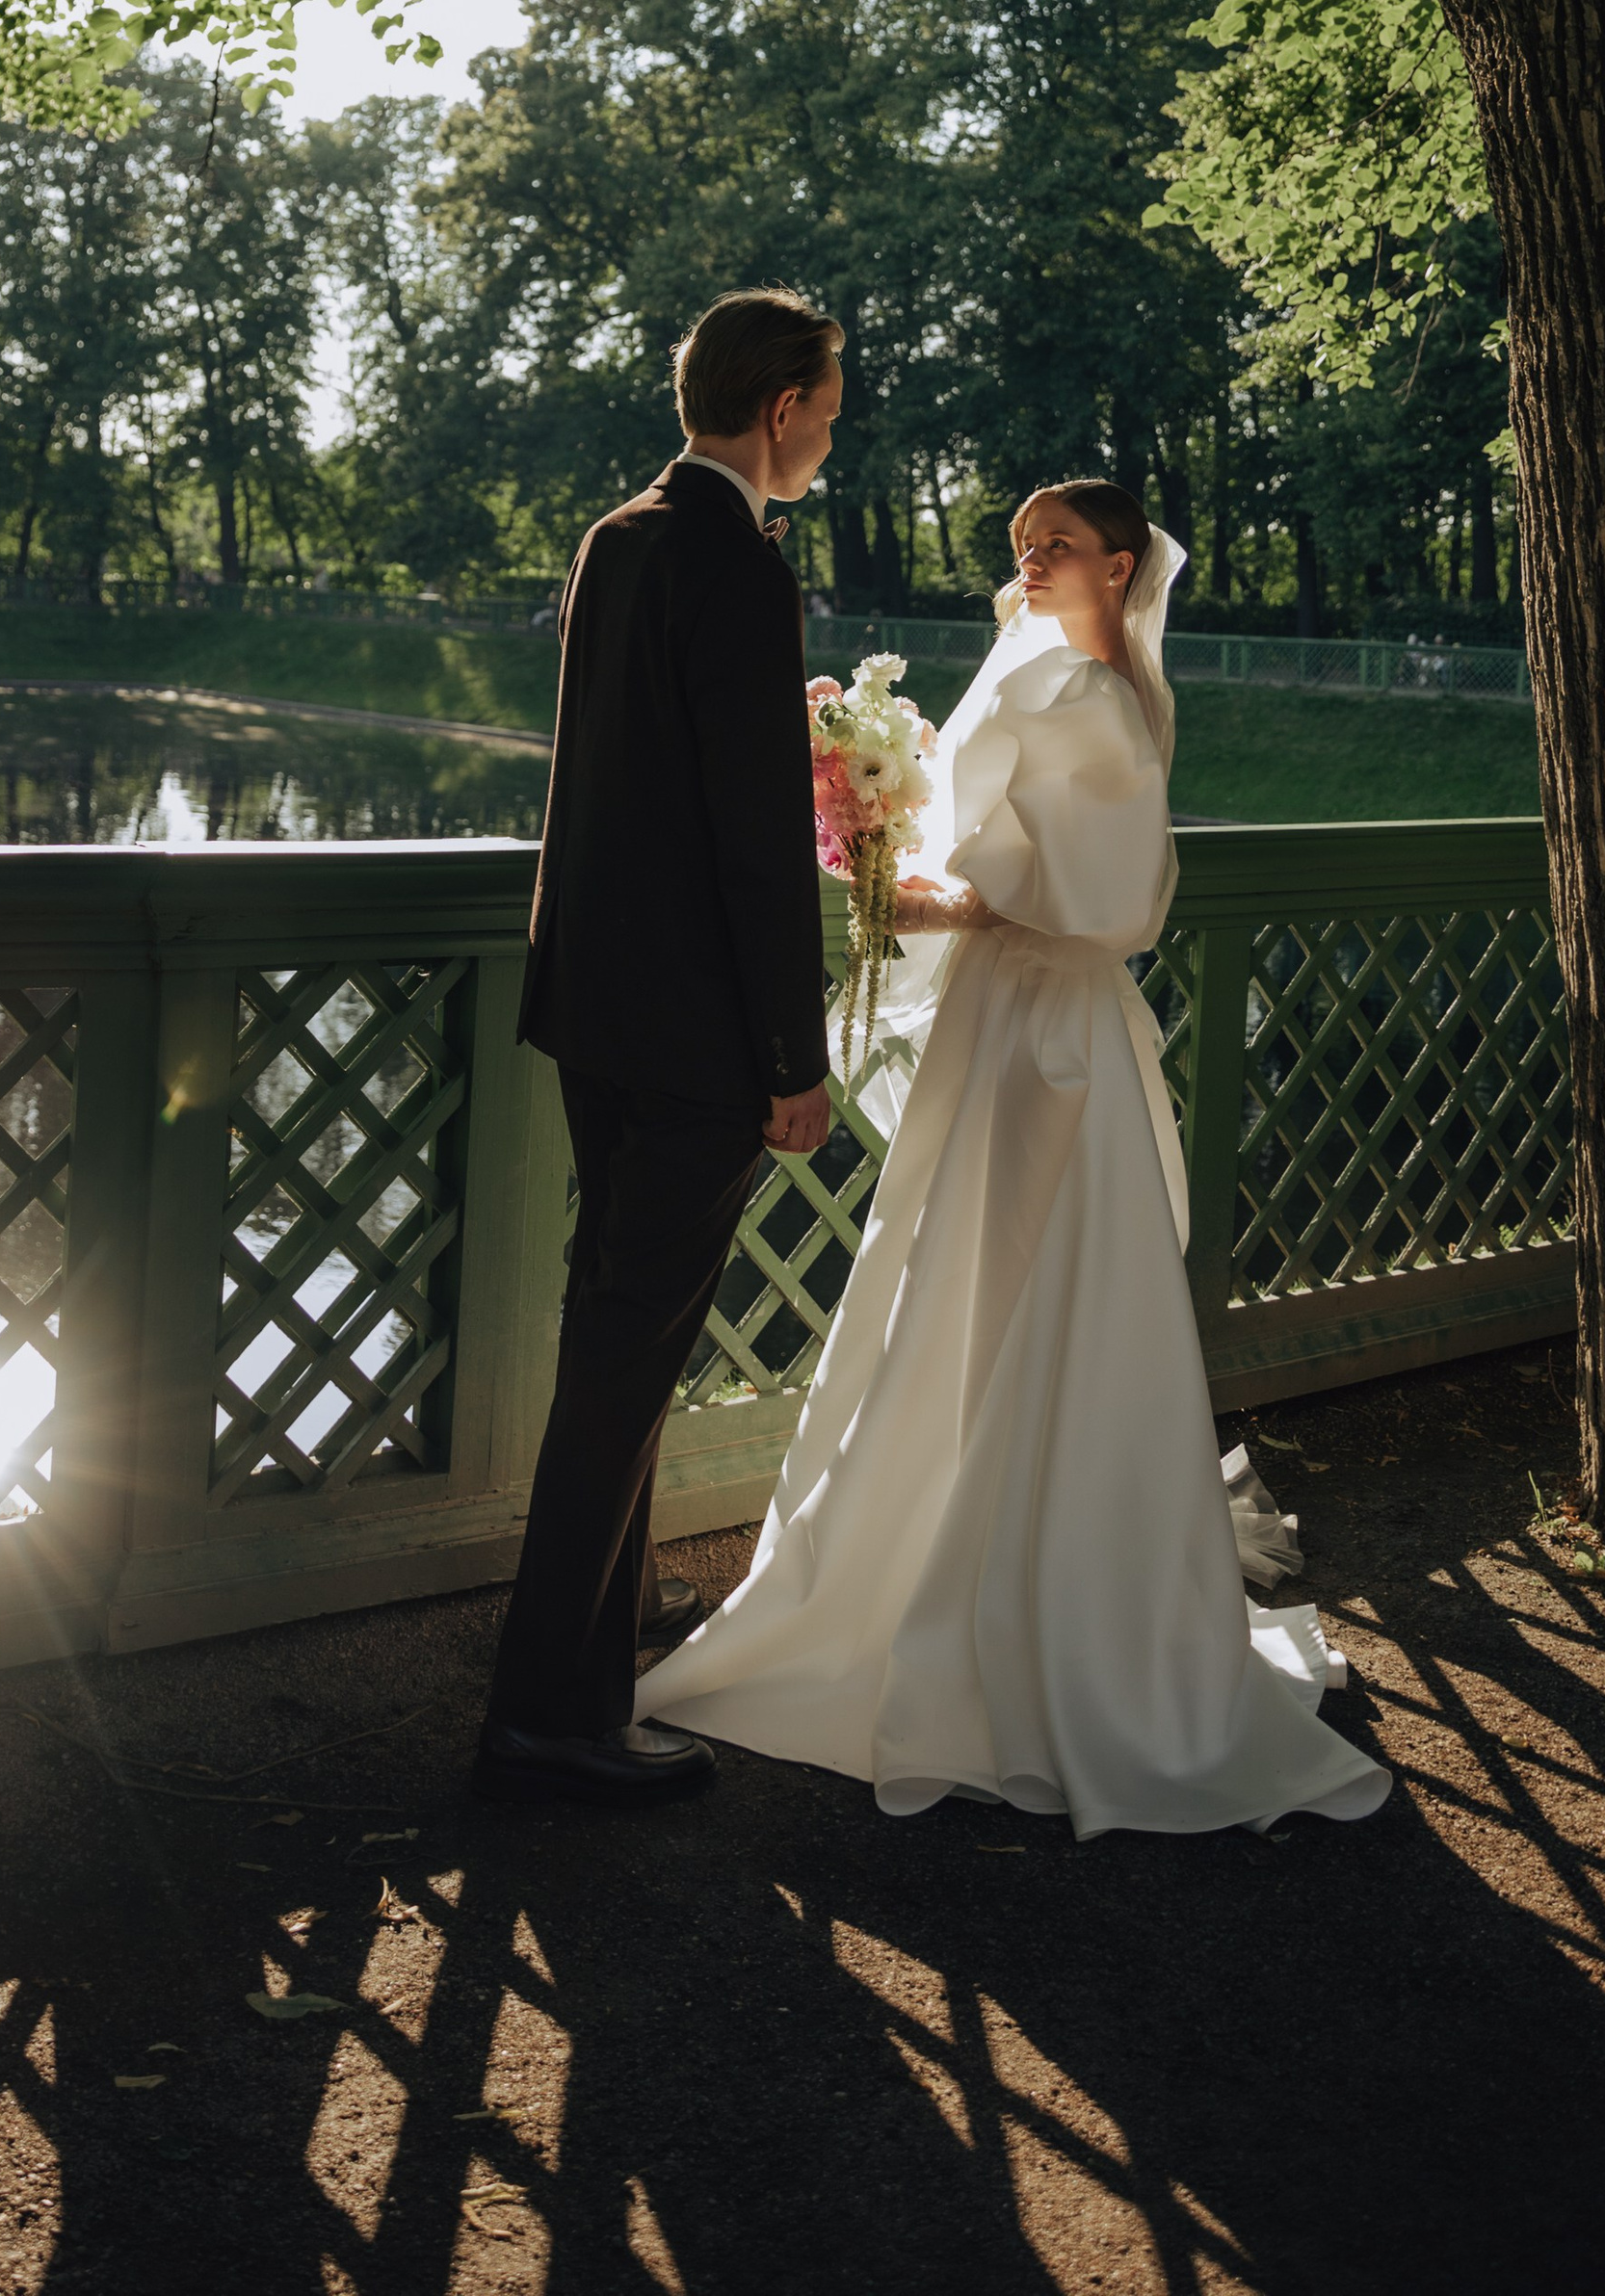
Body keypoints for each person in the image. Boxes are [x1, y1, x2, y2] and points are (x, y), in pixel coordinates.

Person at [638, 477, 1389, 1837]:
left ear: (1125, 562)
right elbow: (998, 860)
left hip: (1050, 1036)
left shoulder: (1100, 698)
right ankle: (957, 1560)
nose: (1031, 560)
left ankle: (1036, 1608)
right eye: (1022, 543)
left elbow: (1095, 900)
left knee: (1041, 1286)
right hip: (1007, 1025)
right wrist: (891, 848)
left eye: (1059, 545)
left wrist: (914, 887)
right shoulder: (1045, 668)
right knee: (957, 1279)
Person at [478, 287, 843, 1810]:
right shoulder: (740, 569)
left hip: (594, 1011)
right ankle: (550, 1712)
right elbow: (757, 843)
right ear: (779, 411)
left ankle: (586, 1663)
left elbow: (599, 783)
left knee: (607, 1335)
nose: (832, 431)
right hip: (699, 1034)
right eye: (827, 405)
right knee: (624, 1365)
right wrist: (792, 1052)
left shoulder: (617, 539)